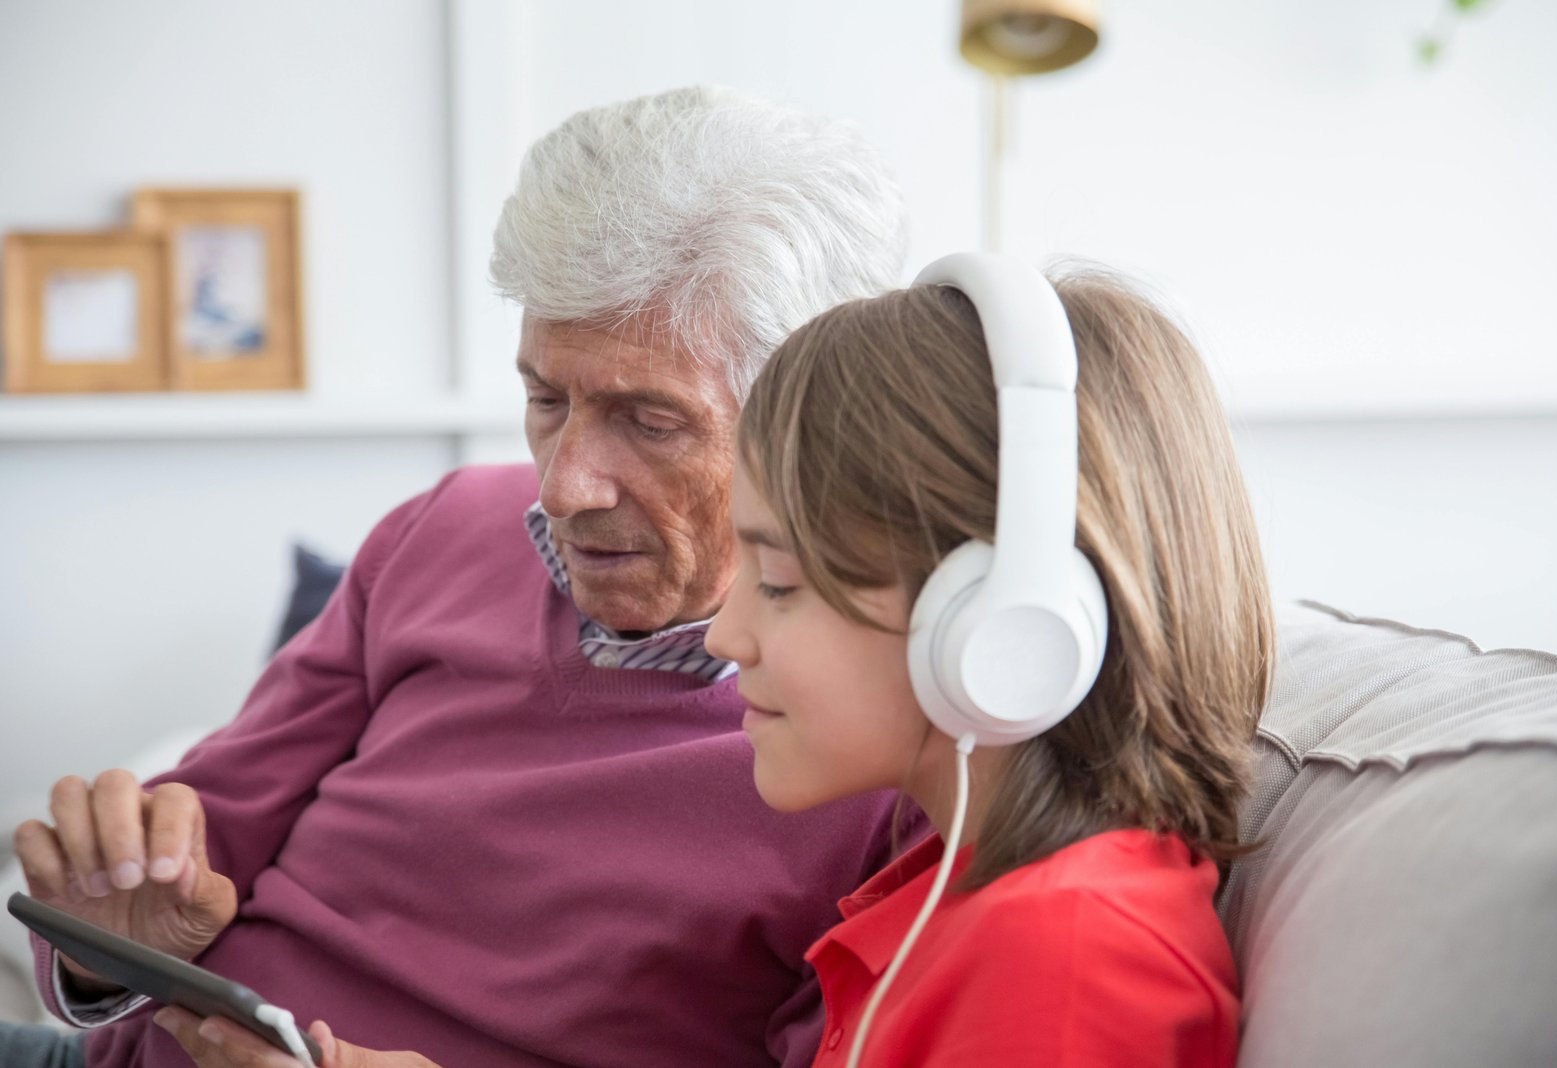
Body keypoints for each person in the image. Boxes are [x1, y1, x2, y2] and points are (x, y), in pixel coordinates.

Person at [147, 255, 1275, 1068]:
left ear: (998, 633)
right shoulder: (935, 894)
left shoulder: (1064, 959)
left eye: (776, 583)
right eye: (544, 400)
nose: (729, 638)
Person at [3, 86, 915, 1068]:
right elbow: (203, 834)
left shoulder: (885, 738)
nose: (564, 485)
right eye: (543, 397)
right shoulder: (443, 529)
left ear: (809, 422)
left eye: (649, 422)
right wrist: (115, 947)